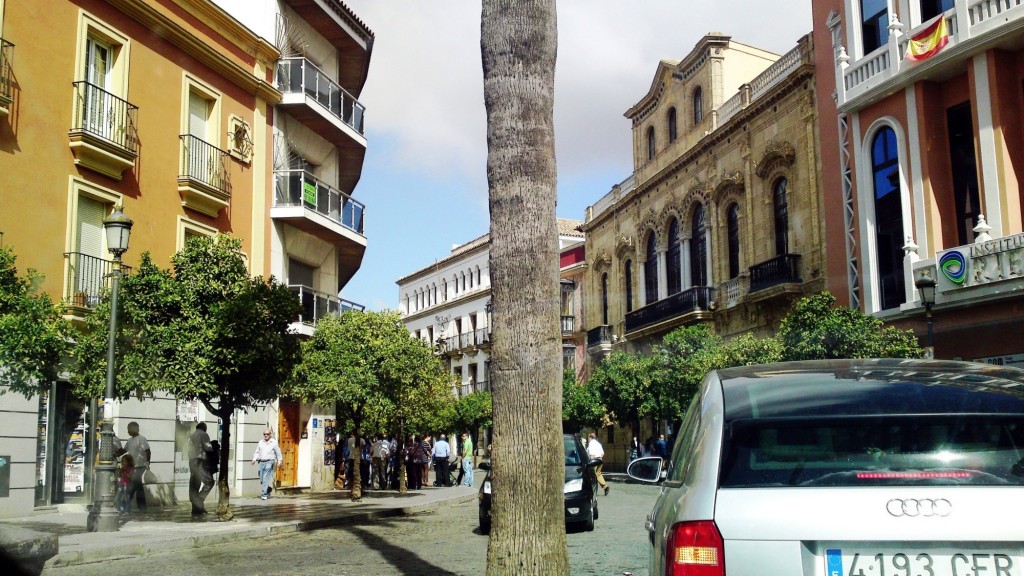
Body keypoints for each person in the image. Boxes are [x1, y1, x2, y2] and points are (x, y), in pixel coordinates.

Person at [188, 422, 214, 516]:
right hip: (200, 461)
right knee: (210, 482)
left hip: (192, 461)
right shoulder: (203, 434)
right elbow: (209, 449)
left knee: (195, 484)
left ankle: (196, 509)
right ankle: (198, 501)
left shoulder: (192, 435)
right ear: (204, 428)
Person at [124, 421, 151, 512]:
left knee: (133, 486)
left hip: (140, 465)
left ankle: (125, 505)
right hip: (132, 467)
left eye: (129, 429)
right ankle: (142, 507)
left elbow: (147, 451)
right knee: (138, 487)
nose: (127, 431)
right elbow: (124, 450)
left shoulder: (142, 439)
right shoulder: (129, 440)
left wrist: (147, 462)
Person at [251, 428, 282, 500]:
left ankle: (264, 494)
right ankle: (268, 488)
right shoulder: (261, 442)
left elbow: (278, 453)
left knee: (265, 478)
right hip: (261, 462)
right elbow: (257, 452)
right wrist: (254, 459)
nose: (266, 435)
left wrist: (280, 461)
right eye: (264, 434)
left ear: (270, 434)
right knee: (262, 478)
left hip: (269, 461)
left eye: (267, 434)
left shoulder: (274, 442)